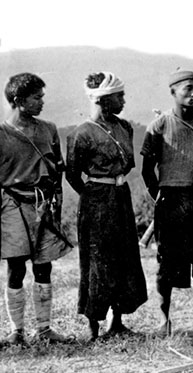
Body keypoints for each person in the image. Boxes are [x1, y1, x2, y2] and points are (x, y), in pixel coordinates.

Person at [141, 70, 193, 335]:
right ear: (173, 92)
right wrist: (160, 196)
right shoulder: (160, 125)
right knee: (167, 261)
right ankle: (164, 321)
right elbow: (147, 169)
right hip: (171, 199)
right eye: (188, 89)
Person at [66, 72, 148, 340]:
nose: (123, 101)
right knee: (97, 261)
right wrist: (91, 196)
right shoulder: (82, 133)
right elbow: (72, 174)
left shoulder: (124, 128)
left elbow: (128, 164)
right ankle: (93, 327)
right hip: (96, 200)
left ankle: (117, 321)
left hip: (120, 196)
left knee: (123, 257)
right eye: (118, 96)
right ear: (102, 100)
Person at [0, 73, 73, 345]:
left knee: (44, 267)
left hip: (43, 205)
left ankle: (44, 329)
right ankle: (16, 331)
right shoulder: (2, 134)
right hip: (11, 205)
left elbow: (58, 169)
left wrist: (57, 204)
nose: (42, 102)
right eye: (36, 97)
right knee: (16, 267)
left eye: (42, 96)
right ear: (18, 101)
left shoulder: (48, 129)